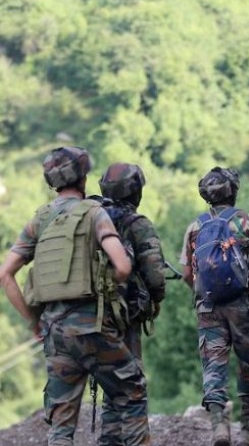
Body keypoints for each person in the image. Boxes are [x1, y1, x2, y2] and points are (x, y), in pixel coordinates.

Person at [0, 146, 150, 445]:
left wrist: (34, 322)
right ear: (83, 177)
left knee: (61, 423)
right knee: (131, 390)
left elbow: (5, 274)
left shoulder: (40, 219)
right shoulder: (94, 213)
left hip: (54, 332)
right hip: (92, 328)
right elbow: (122, 266)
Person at [180, 166, 249, 446]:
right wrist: (245, 267)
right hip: (242, 304)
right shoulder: (245, 220)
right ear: (233, 191)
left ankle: (220, 428)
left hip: (208, 306)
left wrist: (202, 289)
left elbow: (187, 272)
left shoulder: (195, 226)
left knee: (213, 367)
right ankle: (248, 431)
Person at [97, 163, 166, 446]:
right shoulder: (137, 223)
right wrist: (156, 299)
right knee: (131, 379)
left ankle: (109, 439)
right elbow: (155, 274)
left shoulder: (92, 218)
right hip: (125, 314)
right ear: (135, 191)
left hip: (90, 312)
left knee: (111, 382)